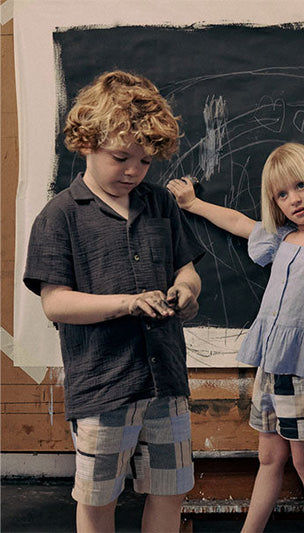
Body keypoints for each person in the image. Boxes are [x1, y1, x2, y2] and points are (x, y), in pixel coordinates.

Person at [167, 142, 304, 533]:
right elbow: (237, 223)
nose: (294, 199)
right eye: (282, 195)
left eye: (301, 186)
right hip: (271, 365)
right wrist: (192, 204)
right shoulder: (280, 239)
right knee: (268, 458)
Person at [24, 70, 204, 533]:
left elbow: (187, 269)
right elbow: (55, 304)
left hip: (166, 380)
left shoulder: (160, 203)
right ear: (87, 142)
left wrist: (187, 290)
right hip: (102, 385)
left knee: (170, 490)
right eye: (121, 157)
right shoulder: (59, 215)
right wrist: (128, 303)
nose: (133, 171)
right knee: (98, 496)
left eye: (145, 162)